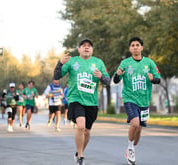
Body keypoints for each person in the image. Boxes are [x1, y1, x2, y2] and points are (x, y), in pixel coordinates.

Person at [54, 38, 110, 165]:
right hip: (76, 99)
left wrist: (101, 76)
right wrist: (59, 63)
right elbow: (57, 76)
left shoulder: (98, 63)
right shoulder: (72, 61)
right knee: (81, 126)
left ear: (92, 49)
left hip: (91, 102)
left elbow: (107, 81)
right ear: (79, 49)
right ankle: (80, 157)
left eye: (89, 46)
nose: (86, 47)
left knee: (87, 131)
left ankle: (78, 152)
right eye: (83, 46)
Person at [113, 37, 161, 165]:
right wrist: (117, 74)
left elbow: (158, 79)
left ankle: (132, 147)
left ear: (141, 48)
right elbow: (116, 80)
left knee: (139, 129)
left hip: (144, 100)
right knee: (135, 123)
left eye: (137, 45)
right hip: (129, 98)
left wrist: (152, 79)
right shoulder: (125, 63)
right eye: (132, 45)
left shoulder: (149, 63)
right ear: (130, 48)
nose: (135, 47)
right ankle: (130, 148)